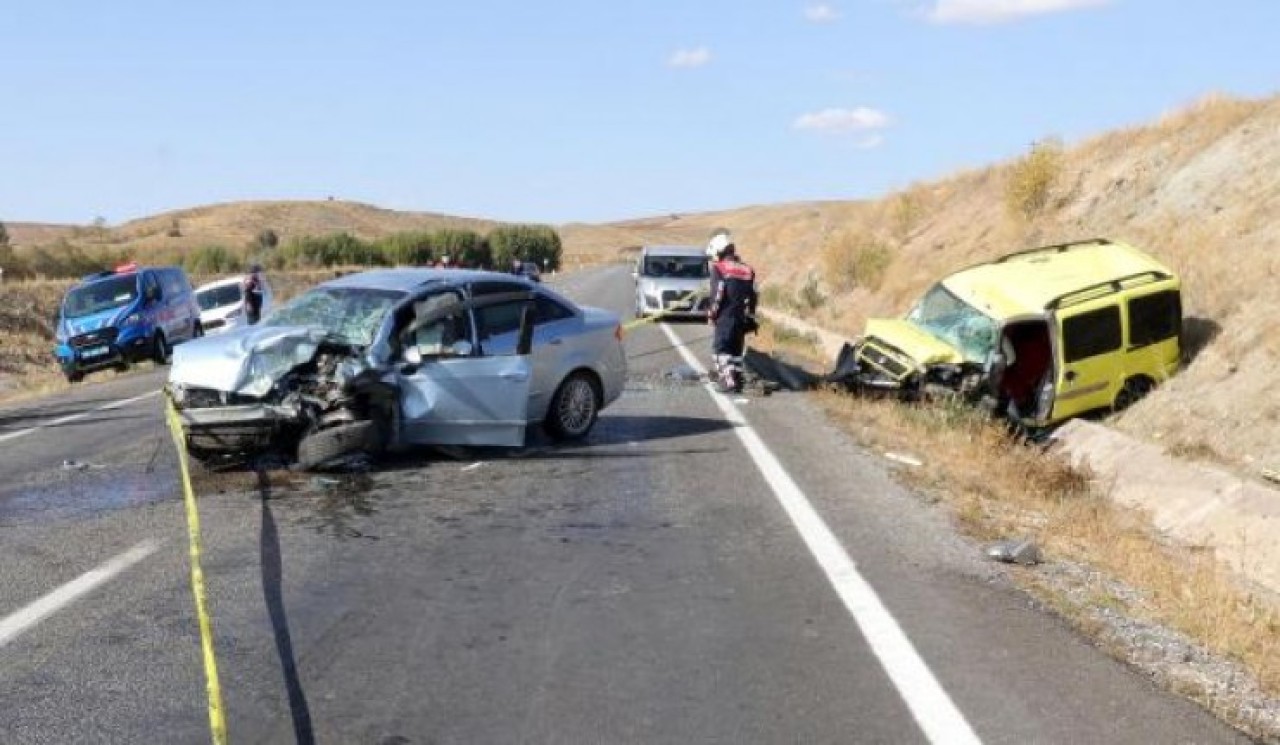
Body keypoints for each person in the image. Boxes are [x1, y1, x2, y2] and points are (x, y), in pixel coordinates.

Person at [707, 237, 758, 393]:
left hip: (725, 317)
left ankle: (728, 382)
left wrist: (711, 314)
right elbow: (754, 295)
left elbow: (718, 294)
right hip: (741, 318)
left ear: (718, 251)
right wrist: (750, 316)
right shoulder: (748, 270)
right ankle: (736, 380)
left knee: (720, 350)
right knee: (736, 351)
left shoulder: (719, 268)